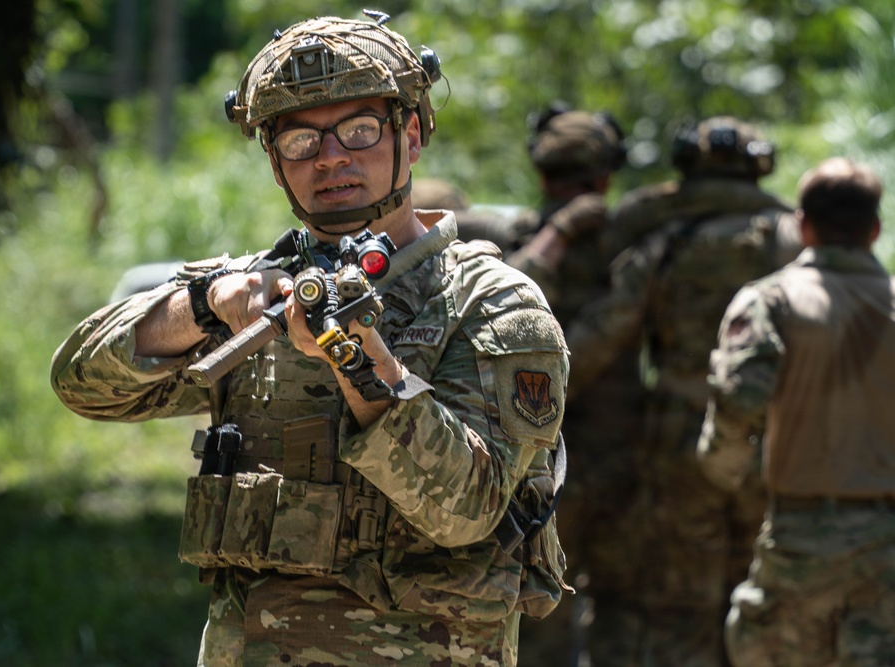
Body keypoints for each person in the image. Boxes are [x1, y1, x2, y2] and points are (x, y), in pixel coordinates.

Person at [50, 12, 569, 667]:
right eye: (300, 140)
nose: (330, 158)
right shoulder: (255, 292)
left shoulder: (491, 302)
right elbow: (81, 384)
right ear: (275, 163)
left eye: (359, 130)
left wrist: (357, 356)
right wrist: (207, 306)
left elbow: (466, 509)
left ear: (410, 135)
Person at [562, 116, 803, 666]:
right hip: (772, 443)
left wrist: (528, 398)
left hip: (679, 445)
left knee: (682, 604)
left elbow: (601, 335)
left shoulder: (664, 241)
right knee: (764, 593)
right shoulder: (788, 239)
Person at [697, 157, 895, 666]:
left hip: (803, 534)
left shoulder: (770, 301)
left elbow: (740, 399)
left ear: (803, 226)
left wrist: (724, 473)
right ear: (875, 229)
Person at [498, 105, 648, 667]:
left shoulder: (519, 244)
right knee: (620, 607)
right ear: (607, 178)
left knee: (540, 605)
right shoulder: (630, 244)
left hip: (534, 462)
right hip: (617, 454)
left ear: (541, 175)